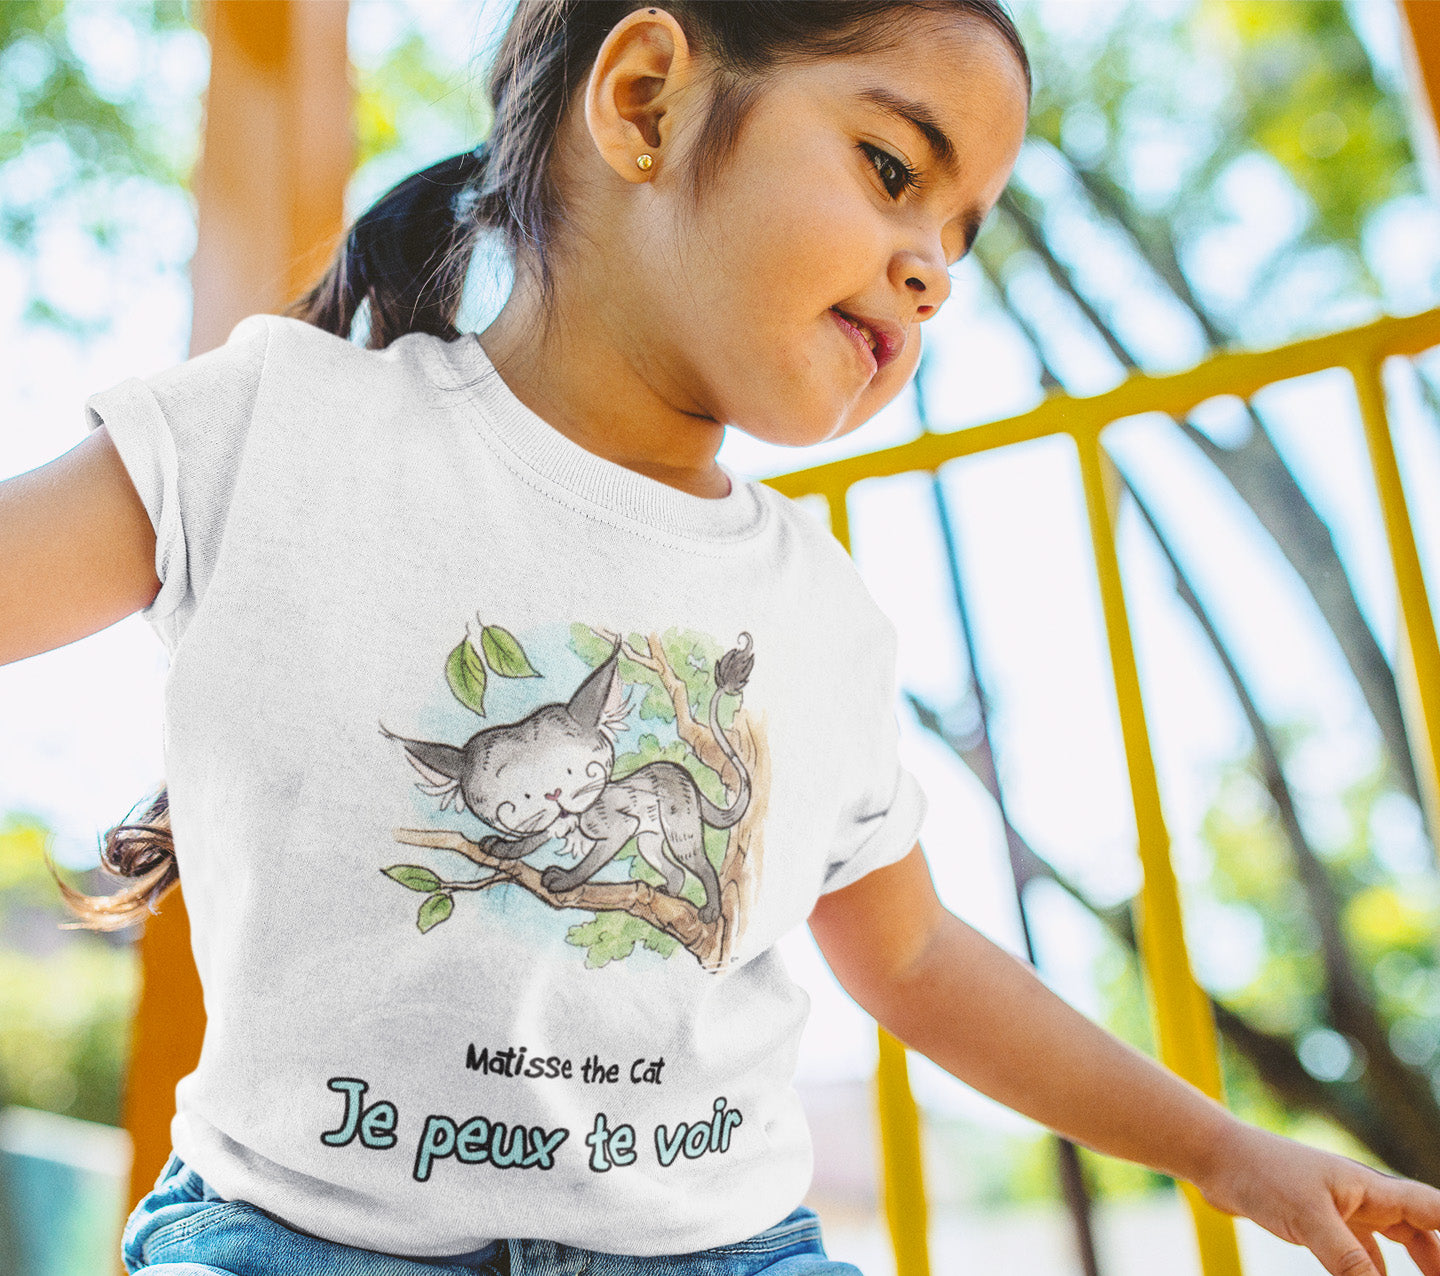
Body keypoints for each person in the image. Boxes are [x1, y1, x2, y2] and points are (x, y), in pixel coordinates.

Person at [3, 2, 1439, 1274]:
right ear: (645, 99)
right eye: (895, 171)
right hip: (299, 1241)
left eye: (958, 238)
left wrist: (1228, 1154)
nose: (932, 269)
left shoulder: (822, 615)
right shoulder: (282, 432)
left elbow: (921, 959)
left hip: (719, 1251)